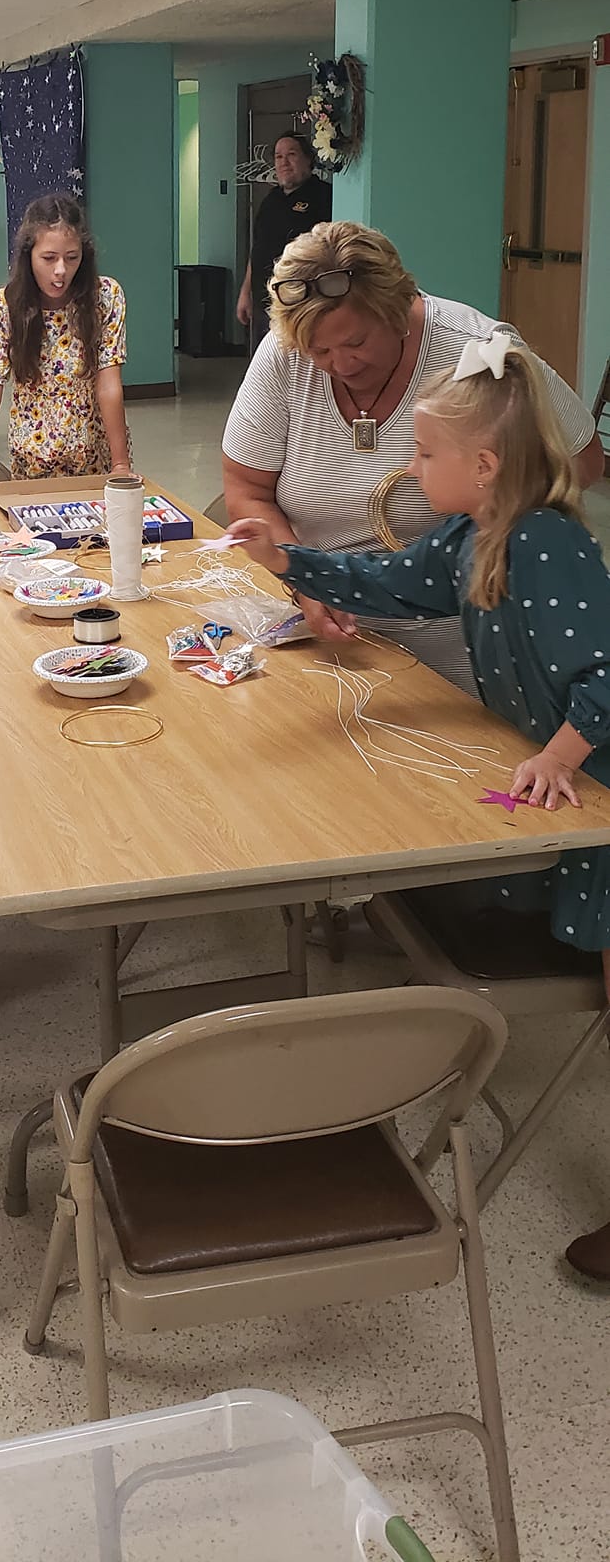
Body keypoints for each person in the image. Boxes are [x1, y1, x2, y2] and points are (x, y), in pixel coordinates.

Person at [227, 334, 610, 1282]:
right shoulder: (473, 532)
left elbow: (606, 672)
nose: (409, 466)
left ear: (482, 466)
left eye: (424, 453)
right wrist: (290, 559)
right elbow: (387, 582)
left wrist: (562, 752)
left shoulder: (547, 542)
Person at [222, 218, 604, 693]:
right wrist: (306, 583)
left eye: (356, 343)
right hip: (337, 635)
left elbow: (583, 459)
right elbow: (246, 489)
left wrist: (489, 535)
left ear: (399, 310)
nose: (340, 365)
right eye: (318, 351)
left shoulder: (478, 355)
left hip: (471, 654)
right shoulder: (285, 355)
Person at [0, 194, 132, 494]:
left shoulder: (105, 297)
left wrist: (120, 465)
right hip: (32, 460)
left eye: (72, 257)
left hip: (93, 456)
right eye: (49, 258)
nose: (60, 270)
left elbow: (108, 385)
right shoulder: (4, 305)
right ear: (29, 256)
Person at [236, 133, 332, 347]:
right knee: (264, 364)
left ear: (308, 159)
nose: (284, 162)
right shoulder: (271, 200)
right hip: (265, 301)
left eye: (291, 154)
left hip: (300, 302)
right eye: (279, 157)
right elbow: (258, 248)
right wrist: (245, 292)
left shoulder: (324, 197)